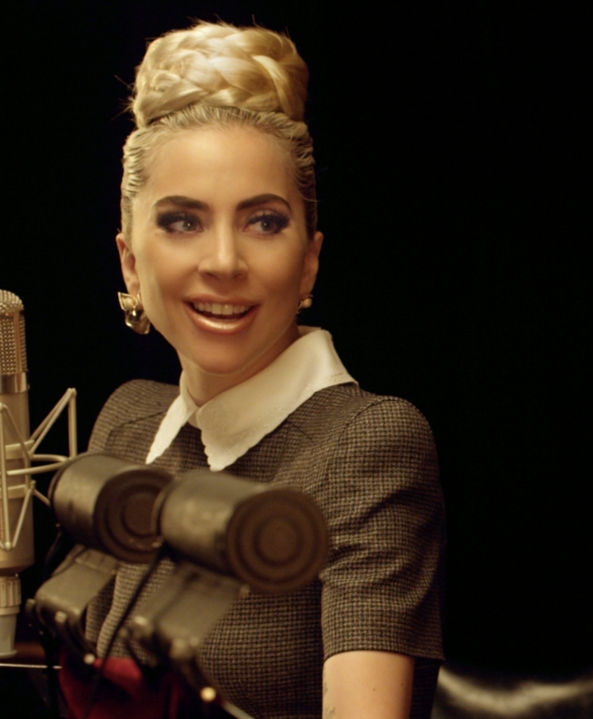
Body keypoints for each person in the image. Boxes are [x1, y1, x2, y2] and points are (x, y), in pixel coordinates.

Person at [72, 21, 443, 718]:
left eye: (263, 222)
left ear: (309, 261)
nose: (223, 261)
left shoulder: (367, 443)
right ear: (130, 261)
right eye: (183, 221)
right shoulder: (127, 424)